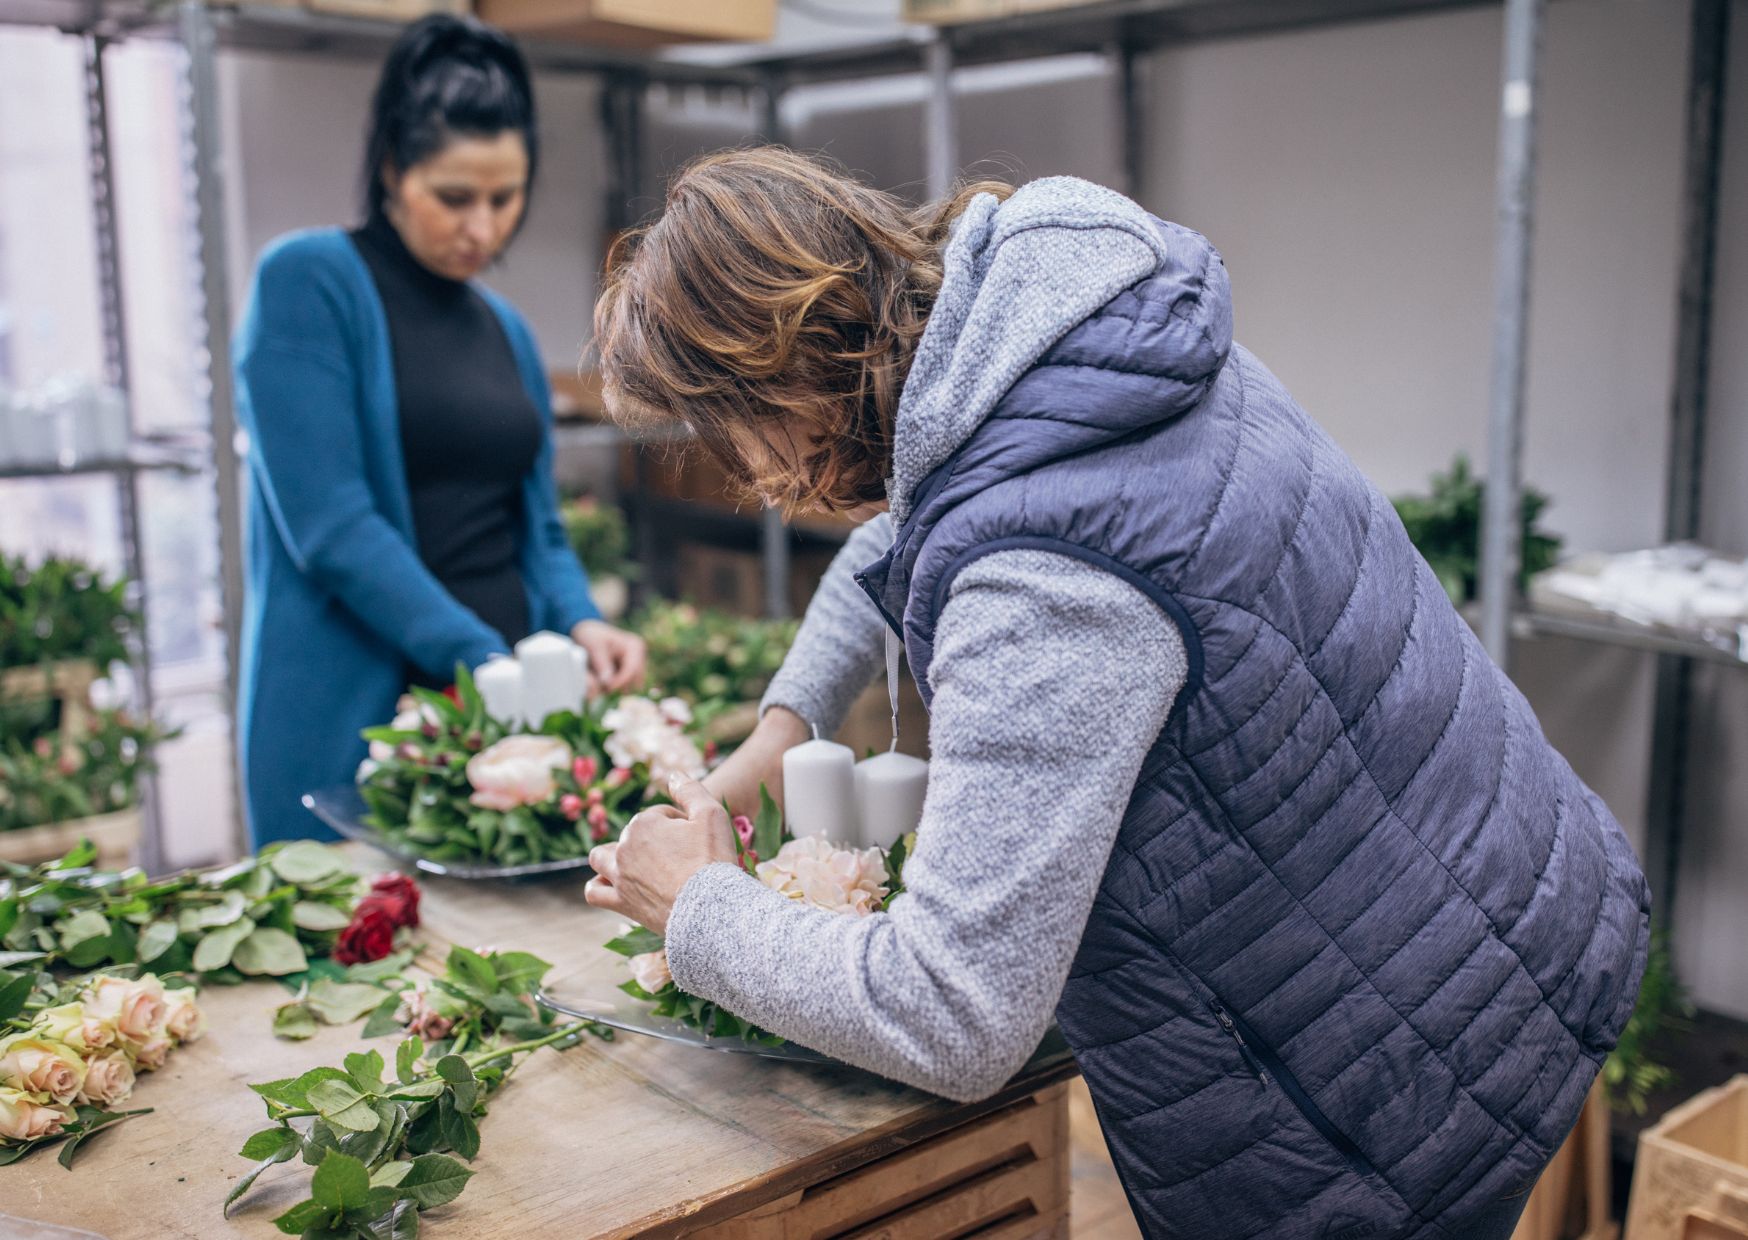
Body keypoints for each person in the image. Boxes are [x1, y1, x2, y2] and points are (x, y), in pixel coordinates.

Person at [582, 149, 1651, 1240]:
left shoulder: (1040, 577)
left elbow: (955, 1011)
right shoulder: (1065, 322)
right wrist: (776, 734)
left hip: (1389, 1058)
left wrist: (702, 908)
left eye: (733, 436)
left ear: (791, 375)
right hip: (1496, 894)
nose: (746, 478)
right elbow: (914, 526)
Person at [232, 15, 644, 848]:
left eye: (505, 198)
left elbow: (537, 526)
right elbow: (332, 529)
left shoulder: (505, 329)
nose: (483, 228)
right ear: (391, 168)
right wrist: (485, 657)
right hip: (361, 723)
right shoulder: (306, 286)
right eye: (455, 197)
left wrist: (577, 621)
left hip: (502, 734)